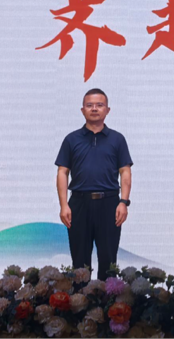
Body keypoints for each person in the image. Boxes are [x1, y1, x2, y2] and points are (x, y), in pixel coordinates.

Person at [55, 89, 133, 281]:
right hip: (79, 204)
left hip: (109, 204)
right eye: (89, 105)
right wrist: (64, 205)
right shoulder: (71, 139)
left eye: (99, 105)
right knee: (79, 262)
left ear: (108, 110)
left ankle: (108, 297)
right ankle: (81, 298)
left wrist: (123, 202)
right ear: (82, 110)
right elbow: (62, 172)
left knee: (108, 259)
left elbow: (125, 172)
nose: (94, 109)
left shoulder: (117, 139)